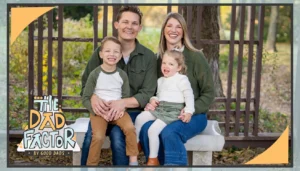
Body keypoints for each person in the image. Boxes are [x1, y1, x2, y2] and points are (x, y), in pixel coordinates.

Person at [80, 6, 157, 165]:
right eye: (125, 22)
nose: (129, 26)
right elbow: (86, 84)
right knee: (91, 138)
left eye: (134, 23)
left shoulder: (148, 56)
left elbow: (147, 92)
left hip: (132, 112)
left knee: (117, 137)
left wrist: (123, 103)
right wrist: (93, 98)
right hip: (101, 110)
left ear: (140, 28)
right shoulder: (101, 53)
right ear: (116, 25)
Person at [139, 12, 215, 165]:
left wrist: (189, 110)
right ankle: (156, 164)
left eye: (178, 27)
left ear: (183, 32)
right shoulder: (159, 59)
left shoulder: (195, 57)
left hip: (194, 115)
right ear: (163, 30)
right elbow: (155, 90)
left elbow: (209, 92)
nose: (173, 30)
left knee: (170, 132)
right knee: (146, 127)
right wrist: (152, 101)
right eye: (169, 26)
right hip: (166, 111)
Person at [82, 36, 139, 166]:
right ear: (101, 54)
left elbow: (125, 96)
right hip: (99, 112)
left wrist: (121, 109)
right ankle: (91, 166)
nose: (111, 54)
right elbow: (86, 98)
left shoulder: (122, 75)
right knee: (98, 137)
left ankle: (133, 161)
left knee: (130, 128)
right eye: (107, 51)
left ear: (120, 56)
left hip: (117, 111)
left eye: (116, 52)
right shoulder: (95, 74)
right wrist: (96, 110)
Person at [135, 50, 194, 166]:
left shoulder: (182, 79)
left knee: (152, 130)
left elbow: (189, 96)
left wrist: (189, 111)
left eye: (171, 64)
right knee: (140, 118)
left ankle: (153, 159)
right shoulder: (160, 80)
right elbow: (159, 95)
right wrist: (153, 99)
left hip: (172, 111)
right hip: (160, 108)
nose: (166, 66)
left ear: (179, 67)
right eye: (164, 63)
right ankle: (136, 144)